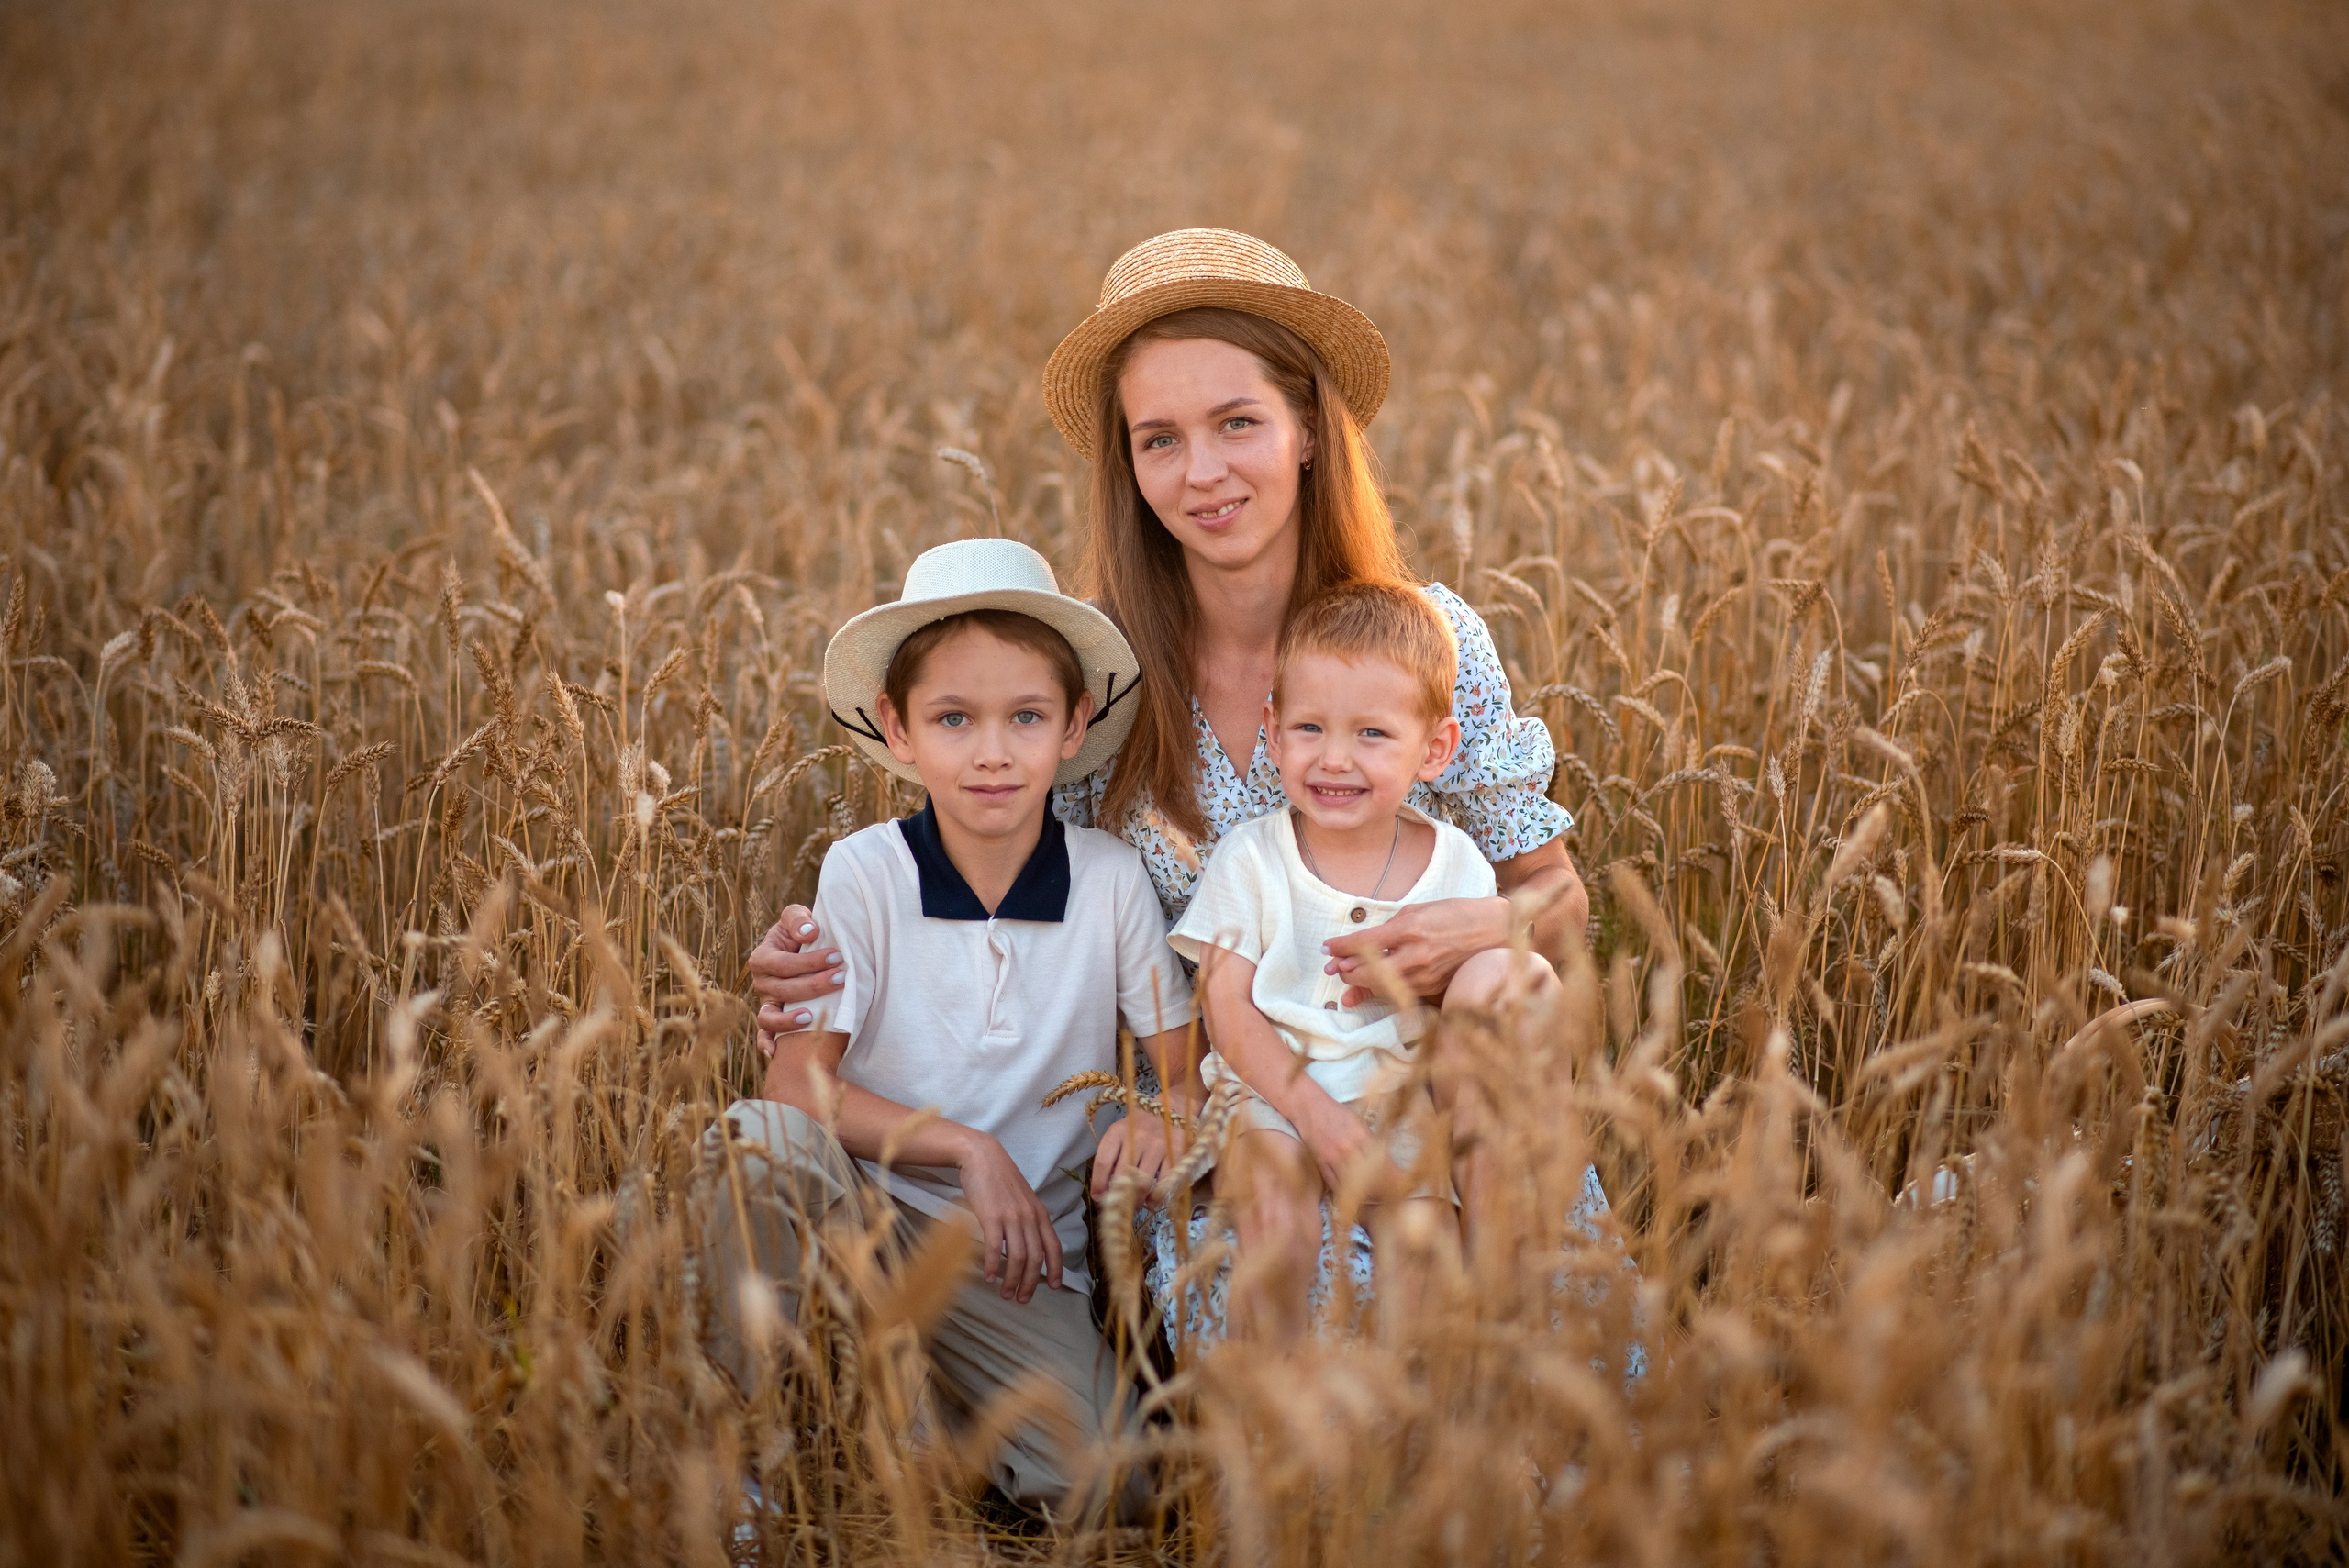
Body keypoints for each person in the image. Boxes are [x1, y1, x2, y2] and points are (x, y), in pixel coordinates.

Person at [748, 228, 1592, 1325]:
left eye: (1236, 422)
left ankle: (1514, 1340)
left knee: (1497, 1010)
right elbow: (978, 885)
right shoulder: (1097, 679)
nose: (1201, 473)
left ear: (1304, 430)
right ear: (1129, 465)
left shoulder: (1425, 642)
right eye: (1159, 439)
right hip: (1224, 1132)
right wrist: (820, 972)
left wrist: (1477, 931)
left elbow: (1559, 902)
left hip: (1439, 1097)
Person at [695, 537, 1197, 1522]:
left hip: (1015, 1261)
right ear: (898, 727)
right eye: (953, 719)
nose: (993, 751)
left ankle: (923, 1419)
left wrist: (1153, 1116)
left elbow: (1180, 1077)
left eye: (1025, 716)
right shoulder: (866, 870)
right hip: (862, 1214)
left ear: (1074, 723)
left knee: (1108, 1487)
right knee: (759, 1145)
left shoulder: (1108, 879)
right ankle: (744, 1451)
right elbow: (797, 1088)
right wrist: (965, 1144)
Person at [1168, 582, 1556, 1338]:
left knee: (1425, 1272)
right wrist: (1314, 1116)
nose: (1334, 759)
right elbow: (1228, 1009)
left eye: (1372, 735)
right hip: (1269, 1100)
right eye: (1310, 728)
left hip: (1395, 1102)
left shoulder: (1457, 868)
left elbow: (1461, 1014)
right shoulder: (1251, 859)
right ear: (1274, 733)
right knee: (1278, 1232)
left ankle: (1429, 1434)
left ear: (1436, 749)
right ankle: (1265, 1429)